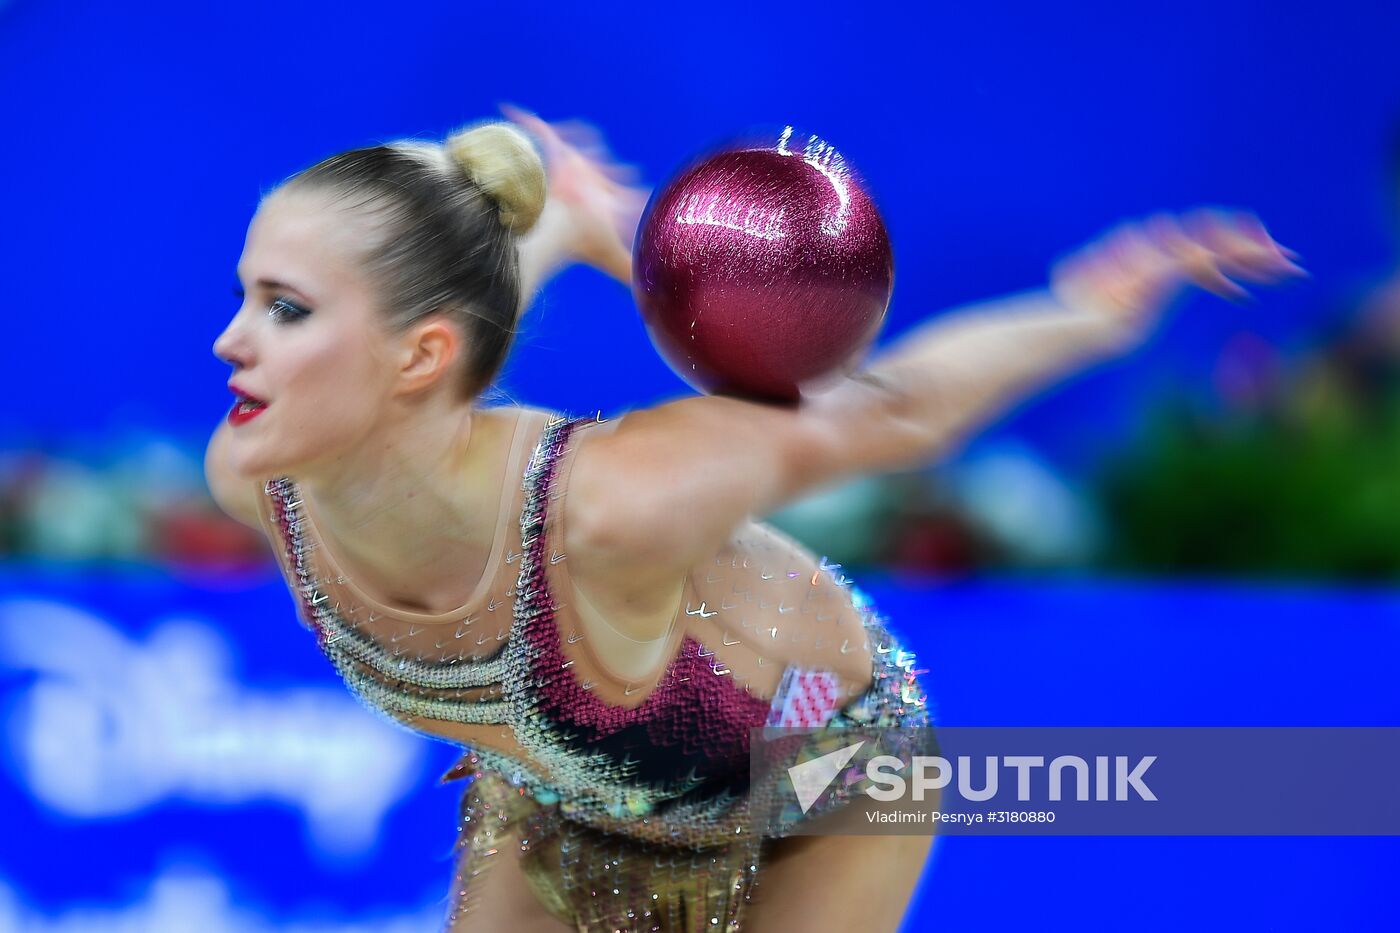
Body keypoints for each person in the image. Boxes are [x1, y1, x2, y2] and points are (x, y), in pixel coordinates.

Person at [205, 108, 1303, 932]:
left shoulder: (618, 503)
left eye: (284, 309)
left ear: (421, 351)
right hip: (567, 788)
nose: (229, 342)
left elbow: (892, 412)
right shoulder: (257, 478)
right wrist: (559, 224)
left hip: (821, 774)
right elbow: (427, 359)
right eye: (247, 294)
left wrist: (1083, 314)